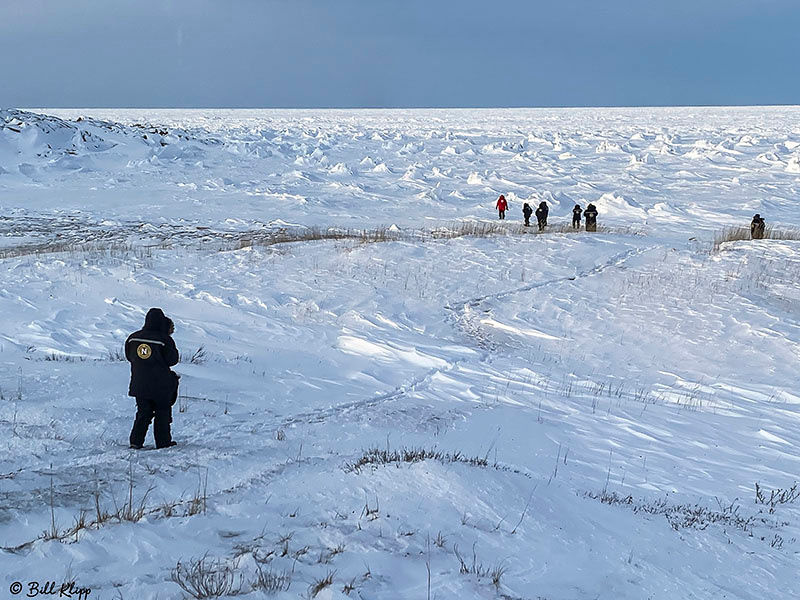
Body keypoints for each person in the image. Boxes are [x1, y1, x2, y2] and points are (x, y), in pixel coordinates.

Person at [126, 308, 180, 449]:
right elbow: (172, 360)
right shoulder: (165, 340)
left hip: (139, 383)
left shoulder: (133, 338)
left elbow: (129, 357)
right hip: (161, 385)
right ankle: (163, 442)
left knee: (143, 412)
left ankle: (135, 441)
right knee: (162, 413)